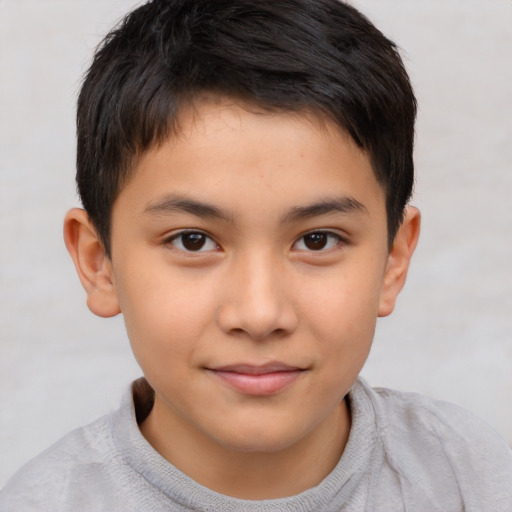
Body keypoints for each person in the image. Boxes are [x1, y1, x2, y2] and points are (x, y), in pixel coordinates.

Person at [1, 0, 511, 510]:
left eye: (318, 240)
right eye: (193, 240)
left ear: (392, 260)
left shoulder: (473, 480)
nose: (260, 314)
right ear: (98, 263)